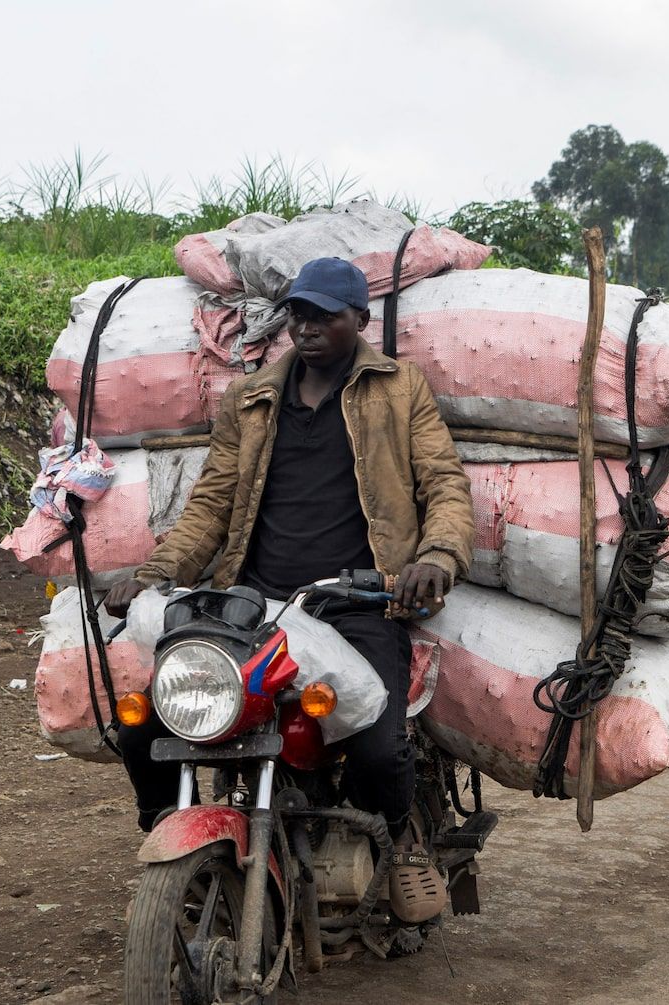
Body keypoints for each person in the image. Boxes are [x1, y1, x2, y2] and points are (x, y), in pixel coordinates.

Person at [102, 257, 473, 922]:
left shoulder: (399, 388)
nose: (306, 326)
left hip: (354, 600)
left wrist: (438, 555)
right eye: (299, 313)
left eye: (324, 314)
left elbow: (444, 482)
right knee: (147, 721)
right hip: (253, 603)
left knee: (378, 742)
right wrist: (157, 574)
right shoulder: (253, 397)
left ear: (359, 320)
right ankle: (177, 844)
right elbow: (211, 504)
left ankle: (402, 838)